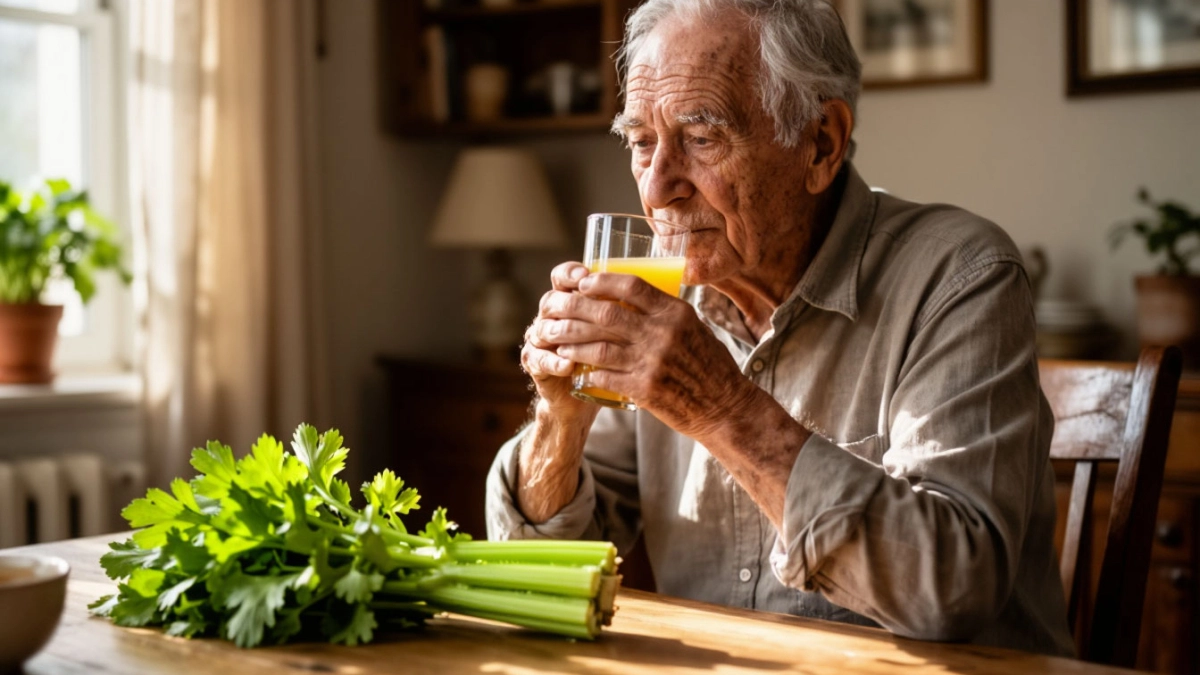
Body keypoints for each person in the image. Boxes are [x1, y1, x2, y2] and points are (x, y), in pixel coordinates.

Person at [485, 0, 1074, 656]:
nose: (655, 189)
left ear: (819, 143)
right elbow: (537, 580)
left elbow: (954, 588)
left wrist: (718, 406)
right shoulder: (664, 302)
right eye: (641, 142)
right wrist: (560, 422)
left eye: (701, 137)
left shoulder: (959, 275)